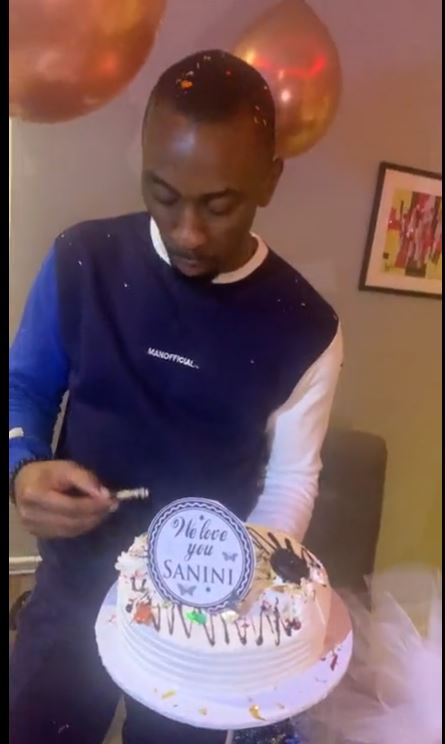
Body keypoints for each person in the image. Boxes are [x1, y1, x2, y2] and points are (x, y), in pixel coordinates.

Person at [9, 50, 343, 744]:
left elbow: (290, 479)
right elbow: (23, 389)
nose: (187, 232)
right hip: (71, 587)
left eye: (218, 206)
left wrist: (234, 588)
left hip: (202, 626)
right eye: (162, 195)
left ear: (269, 180)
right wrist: (21, 469)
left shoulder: (306, 327)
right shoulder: (83, 261)